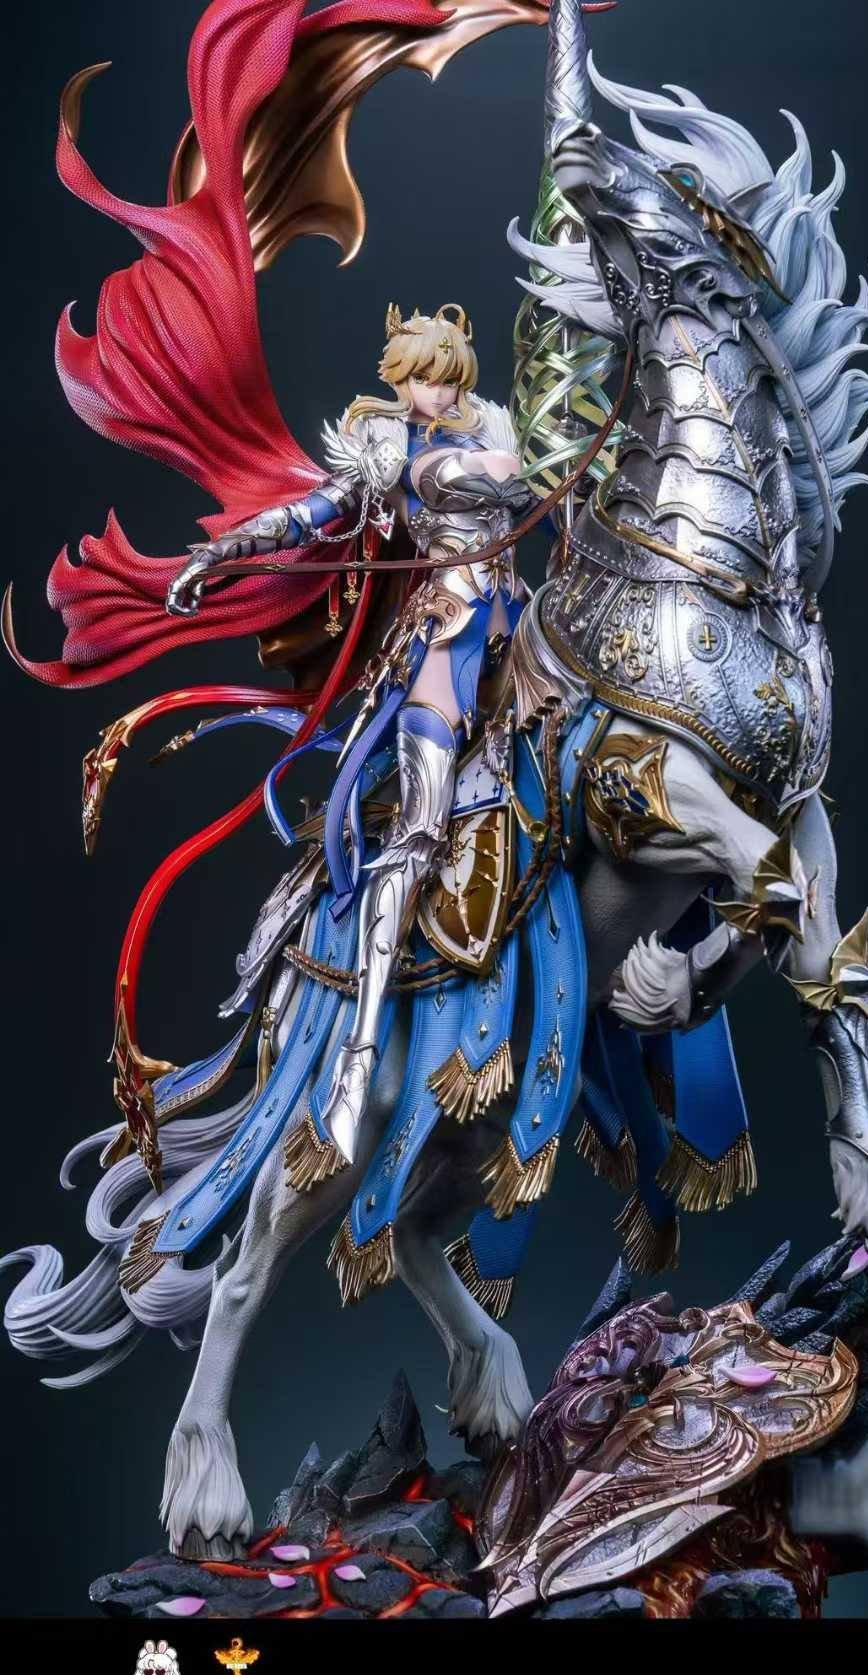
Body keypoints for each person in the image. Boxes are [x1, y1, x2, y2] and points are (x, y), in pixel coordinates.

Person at [165, 303, 532, 1163]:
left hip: (520, 632)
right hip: (443, 643)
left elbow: (557, 505)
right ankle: (358, 1058)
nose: (440, 390)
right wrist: (217, 555)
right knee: (420, 829)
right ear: (399, 380)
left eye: (450, 375)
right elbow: (306, 517)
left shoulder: (500, 431)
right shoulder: (387, 452)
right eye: (424, 377)